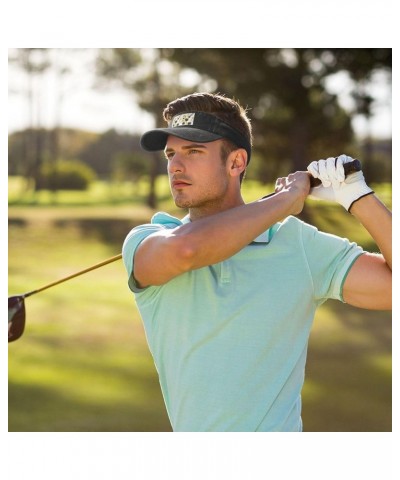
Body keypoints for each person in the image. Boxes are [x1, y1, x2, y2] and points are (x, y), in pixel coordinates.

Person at [122, 92, 392, 432]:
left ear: (236, 163)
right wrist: (286, 200)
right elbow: (186, 251)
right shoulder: (149, 238)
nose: (176, 165)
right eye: (171, 153)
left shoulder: (299, 245)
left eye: (193, 151)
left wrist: (358, 198)